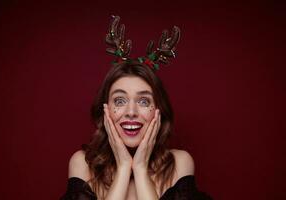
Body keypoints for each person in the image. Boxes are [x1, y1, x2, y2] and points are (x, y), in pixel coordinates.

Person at [60, 16, 212, 200]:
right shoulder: (82, 164)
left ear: (158, 110)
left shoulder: (179, 163)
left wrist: (140, 168)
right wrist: (124, 166)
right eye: (120, 101)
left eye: (143, 101)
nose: (131, 112)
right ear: (105, 109)